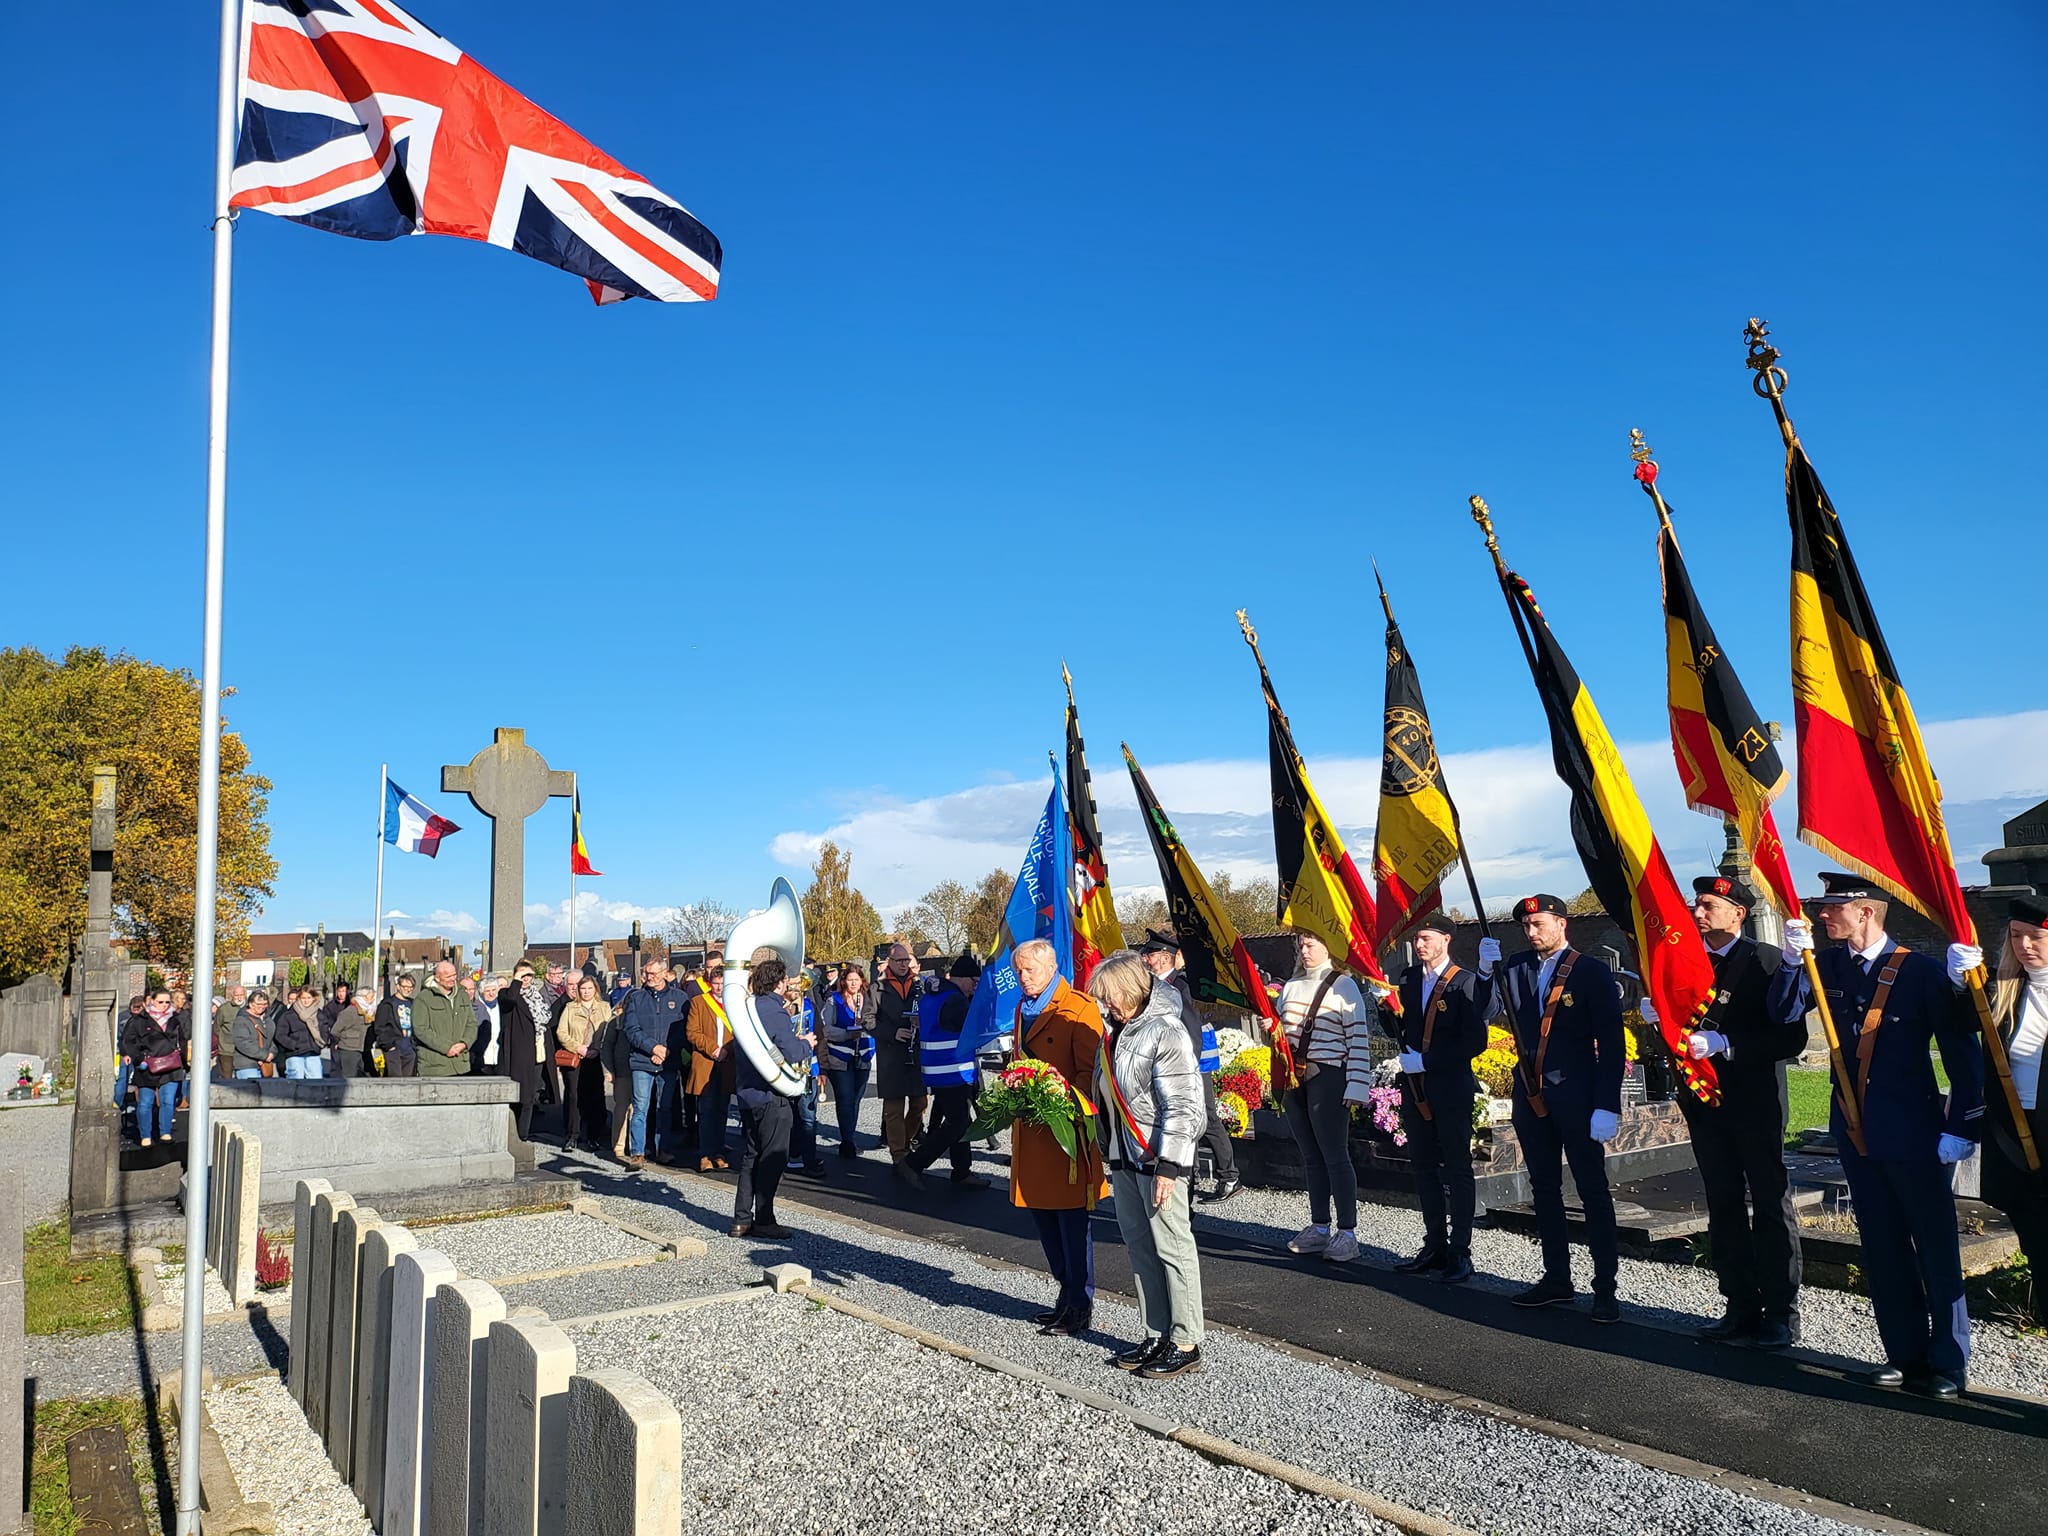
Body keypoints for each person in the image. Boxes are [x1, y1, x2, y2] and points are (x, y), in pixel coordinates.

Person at [1770, 873, 1984, 1397]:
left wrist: (1962, 1127)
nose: (1823, 915)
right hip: (1855, 1128)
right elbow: (1783, 1015)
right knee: (1883, 1245)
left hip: (1915, 1130)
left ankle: (1950, 1360)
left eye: (1833, 908)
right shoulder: (1829, 968)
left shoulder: (1920, 973)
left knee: (1934, 1245)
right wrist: (1793, 964)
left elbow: (1963, 1053)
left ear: (1865, 911)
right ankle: (1905, 1353)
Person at [1653, 875, 1807, 1349]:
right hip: (1705, 1103)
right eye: (1696, 905)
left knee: (1769, 1202)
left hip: (1755, 1100)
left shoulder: (1766, 961)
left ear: (1738, 912)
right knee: (1722, 1202)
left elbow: (1791, 1038)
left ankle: (1781, 1311)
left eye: (1708, 905)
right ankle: (1738, 1302)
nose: (1698, 914)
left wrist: (1728, 1043)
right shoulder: (1686, 962)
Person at [1490, 894, 1626, 1321]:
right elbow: (1489, 1011)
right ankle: (1557, 1279)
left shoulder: (1590, 973)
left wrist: (1607, 1103)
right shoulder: (1514, 968)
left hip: (1579, 1096)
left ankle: (1605, 1288)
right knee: (1543, 1189)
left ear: (1562, 924)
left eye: (1539, 924)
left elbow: (1613, 1043)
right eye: (1526, 927)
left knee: (1591, 1191)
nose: (1532, 933)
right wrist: (1482, 973)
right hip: (1532, 1097)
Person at [1090, 951, 1208, 1377]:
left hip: (1157, 1160)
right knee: (1141, 1248)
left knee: (1173, 1248)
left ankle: (1186, 1339)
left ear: (1130, 990)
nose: (1105, 1005)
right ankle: (1156, 1331)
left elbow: (1183, 1104)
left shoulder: (1165, 1031)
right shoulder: (1116, 1033)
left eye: (1109, 996)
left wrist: (1170, 1166)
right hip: (1124, 1159)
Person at [1387, 913, 1496, 1284]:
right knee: (1423, 1167)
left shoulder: (1464, 982)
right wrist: (1384, 1007)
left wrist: (1428, 1061)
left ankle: (1460, 1251)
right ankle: (1433, 1245)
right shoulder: (1408, 978)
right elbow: (1402, 1029)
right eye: (1417, 939)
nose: (1420, 945)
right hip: (1416, 1088)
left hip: (1450, 1085)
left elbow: (1475, 1042)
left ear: (1446, 940)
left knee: (1457, 1167)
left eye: (1427, 938)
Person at [1009, 937, 1108, 1336]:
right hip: (1033, 1131)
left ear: (1051, 968)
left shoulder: (1079, 1009)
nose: (1022, 977)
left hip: (1066, 1133)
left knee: (1070, 1223)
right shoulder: (1021, 1009)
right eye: (1018, 971)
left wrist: (1060, 1096)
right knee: (1044, 1222)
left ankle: (1079, 1305)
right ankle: (1063, 1296)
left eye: (1029, 970)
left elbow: (1091, 1070)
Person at [1277, 933, 1376, 1264]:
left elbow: (1358, 1038)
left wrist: (1357, 1084)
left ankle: (1347, 1232)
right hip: (1296, 1077)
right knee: (1310, 1155)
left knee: (1335, 1155)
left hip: (1330, 1075)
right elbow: (1283, 1032)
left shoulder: (1344, 986)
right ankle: (1320, 1226)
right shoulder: (1291, 986)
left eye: (1311, 945)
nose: (1304, 951)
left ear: (1327, 946)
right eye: (1300, 946)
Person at [1976, 897, 2048, 1325]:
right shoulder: (2003, 991)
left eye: (2036, 937)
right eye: (2016, 937)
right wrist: (1956, 979)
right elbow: (1960, 1022)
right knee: (2039, 1250)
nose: (2025, 946)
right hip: (2018, 1138)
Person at [1136, 929, 1239, 1202]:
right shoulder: (1155, 988)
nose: (1144, 959)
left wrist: (1186, 1069)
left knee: (1204, 1116)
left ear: (1164, 957)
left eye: (1149, 954)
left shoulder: (1179, 987)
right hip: (1168, 1068)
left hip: (1189, 1067)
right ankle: (1190, 1180)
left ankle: (1228, 1175)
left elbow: (1190, 1030)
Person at [732, 949, 810, 1239]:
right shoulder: (774, 1010)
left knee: (751, 1157)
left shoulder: (747, 1007)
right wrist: (807, 1043)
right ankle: (764, 1219)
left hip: (747, 1093)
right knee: (773, 1158)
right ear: (778, 983)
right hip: (771, 1094)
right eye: (786, 982)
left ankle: (741, 1219)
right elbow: (790, 1051)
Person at [905, 954, 991, 1188]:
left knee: (959, 1120)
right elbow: (972, 1028)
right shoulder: (955, 1000)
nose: (974, 987)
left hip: (938, 1069)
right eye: (973, 981)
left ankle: (962, 1171)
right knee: (958, 1123)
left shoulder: (933, 995)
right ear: (961, 978)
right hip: (954, 1070)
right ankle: (914, 1163)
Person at [621, 955, 690, 1168]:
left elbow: (684, 1030)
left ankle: (663, 1149)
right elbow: (631, 1029)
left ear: (663, 973)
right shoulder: (636, 998)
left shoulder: (680, 998)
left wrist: (667, 1050)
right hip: (642, 1060)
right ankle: (638, 1152)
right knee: (641, 1106)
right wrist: (653, 1047)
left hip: (668, 1062)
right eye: (646, 973)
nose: (648, 977)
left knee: (665, 1107)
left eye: (652, 973)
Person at [868, 944, 928, 1174]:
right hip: (891, 1055)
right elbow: (868, 1020)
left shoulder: (920, 986)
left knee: (920, 1104)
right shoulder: (877, 987)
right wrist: (891, 1033)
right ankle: (898, 1154)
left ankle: (904, 1142)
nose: (904, 964)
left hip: (916, 1054)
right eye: (899, 960)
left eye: (906, 960)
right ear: (890, 962)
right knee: (893, 1109)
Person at [685, 954, 738, 1170]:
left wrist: (727, 1050)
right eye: (715, 984)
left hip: (727, 1063)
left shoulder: (735, 1004)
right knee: (706, 1110)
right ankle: (705, 1154)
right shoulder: (699, 1002)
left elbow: (741, 1033)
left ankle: (719, 1151)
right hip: (706, 1061)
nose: (718, 988)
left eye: (722, 984)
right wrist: (713, 1049)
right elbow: (692, 1032)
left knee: (722, 1110)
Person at [821, 962, 875, 1156]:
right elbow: (826, 1029)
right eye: (849, 980)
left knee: (856, 1100)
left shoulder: (869, 1000)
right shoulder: (834, 1001)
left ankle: (849, 1136)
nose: (853, 983)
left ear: (862, 981)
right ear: (843, 981)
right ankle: (847, 1141)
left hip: (863, 1055)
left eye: (856, 979)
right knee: (845, 1099)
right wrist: (846, 1034)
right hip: (840, 1057)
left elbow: (877, 1024)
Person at [554, 974, 608, 1146]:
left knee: (595, 1096)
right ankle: (572, 1135)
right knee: (574, 1096)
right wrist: (578, 1047)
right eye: (583, 989)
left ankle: (594, 1136)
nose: (586, 992)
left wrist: (596, 1049)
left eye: (589, 988)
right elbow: (561, 1032)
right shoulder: (570, 1007)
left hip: (596, 1057)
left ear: (595, 990)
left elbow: (609, 1031)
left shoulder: (604, 1007)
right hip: (576, 1056)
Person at [130, 989, 188, 1146]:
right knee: (145, 1103)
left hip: (171, 1065)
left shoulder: (176, 1019)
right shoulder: (140, 1020)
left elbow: (182, 1039)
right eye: (160, 1002)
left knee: (168, 1101)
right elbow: (128, 1041)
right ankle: (145, 1135)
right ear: (152, 1001)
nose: (164, 1005)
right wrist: (139, 1058)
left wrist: (184, 1061)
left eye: (167, 1002)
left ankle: (165, 1132)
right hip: (147, 1065)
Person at [498, 961, 547, 1138]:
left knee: (530, 1096)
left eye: (529, 975)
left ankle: (523, 1134)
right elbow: (509, 1001)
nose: (526, 979)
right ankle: (513, 1135)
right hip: (518, 1052)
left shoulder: (537, 996)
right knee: (517, 1096)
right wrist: (516, 981)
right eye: (522, 975)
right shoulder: (507, 993)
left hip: (536, 1051)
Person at [412, 960, 477, 1078]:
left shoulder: (462, 995)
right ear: (437, 978)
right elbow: (420, 1030)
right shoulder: (424, 998)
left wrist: (464, 1043)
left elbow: (471, 1023)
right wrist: (446, 1048)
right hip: (435, 1067)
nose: (453, 979)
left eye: (454, 975)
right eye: (448, 976)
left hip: (461, 1065)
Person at [274, 985, 326, 1079]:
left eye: (309, 998)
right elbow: (280, 1035)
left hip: (313, 1053)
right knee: (296, 1083)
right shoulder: (289, 1015)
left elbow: (324, 1029)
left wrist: (321, 1042)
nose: (306, 1001)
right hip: (295, 1054)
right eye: (303, 998)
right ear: (299, 998)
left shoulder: (319, 1014)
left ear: (314, 998)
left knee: (316, 1083)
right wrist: (293, 1045)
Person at [373, 973, 418, 1077]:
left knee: (409, 1082)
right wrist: (389, 1046)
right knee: (395, 1081)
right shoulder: (387, 1004)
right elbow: (379, 1027)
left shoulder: (413, 1003)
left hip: (410, 1048)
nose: (408, 989)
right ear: (398, 986)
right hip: (394, 1049)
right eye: (405, 987)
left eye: (411, 987)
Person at [232, 989, 277, 1079]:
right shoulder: (241, 1020)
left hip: (265, 1064)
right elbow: (243, 1043)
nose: (262, 1007)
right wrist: (264, 1056)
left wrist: (272, 1053)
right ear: (250, 1004)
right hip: (247, 1065)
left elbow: (271, 1040)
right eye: (259, 1004)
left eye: (265, 1004)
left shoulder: (268, 1020)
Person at [114, 993, 146, 1113]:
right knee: (125, 1079)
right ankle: (120, 1104)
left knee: (124, 1079)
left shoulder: (122, 1016)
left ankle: (119, 1104)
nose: (137, 1010)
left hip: (127, 1052)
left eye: (139, 1007)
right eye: (135, 1007)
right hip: (132, 1053)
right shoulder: (137, 1019)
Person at [332, 988, 375, 1078]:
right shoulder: (349, 1011)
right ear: (363, 998)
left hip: (365, 1048)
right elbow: (335, 1030)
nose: (373, 1000)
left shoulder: (370, 1011)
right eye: (371, 997)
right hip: (349, 1048)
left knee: (369, 1075)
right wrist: (340, 1041)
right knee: (350, 1076)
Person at [471, 974, 506, 1073]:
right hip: (482, 1058)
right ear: (481, 992)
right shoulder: (474, 1008)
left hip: (500, 1057)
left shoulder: (502, 1007)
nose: (491, 994)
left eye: (493, 990)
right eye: (487, 991)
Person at [210, 985, 246, 1079]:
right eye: (236, 995)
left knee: (243, 1078)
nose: (239, 997)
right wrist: (223, 1039)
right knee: (226, 1077)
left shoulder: (250, 1008)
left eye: (241, 995)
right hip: (227, 1049)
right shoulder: (224, 1009)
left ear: (245, 995)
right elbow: (217, 1027)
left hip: (245, 1049)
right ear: (232, 995)